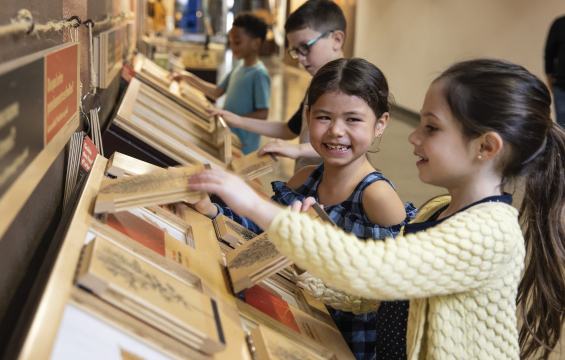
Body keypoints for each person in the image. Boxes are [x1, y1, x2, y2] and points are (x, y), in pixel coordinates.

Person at [187, 59, 565, 360]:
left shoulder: (489, 233)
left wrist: (252, 203)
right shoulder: (438, 210)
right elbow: (385, 294)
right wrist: (311, 277)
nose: (414, 137)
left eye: (431, 129)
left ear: (486, 147)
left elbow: (371, 268)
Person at [190, 58, 417, 360]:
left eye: (353, 120)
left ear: (380, 125)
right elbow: (256, 232)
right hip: (293, 318)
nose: (336, 131)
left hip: (344, 343)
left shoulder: (377, 197)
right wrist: (212, 211)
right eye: (324, 117)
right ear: (307, 116)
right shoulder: (305, 177)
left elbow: (383, 290)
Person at [207, 0, 346, 171]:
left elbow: (348, 144)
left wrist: (298, 149)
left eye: (305, 47)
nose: (300, 58)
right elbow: (290, 129)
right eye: (296, 50)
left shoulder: (352, 88)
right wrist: (238, 120)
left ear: (337, 39)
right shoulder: (318, 83)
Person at [172, 12, 270, 154]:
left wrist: (234, 119)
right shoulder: (239, 66)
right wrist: (188, 77)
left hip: (243, 145)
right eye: (230, 42)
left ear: (256, 43)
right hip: (227, 137)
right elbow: (217, 92)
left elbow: (263, 114)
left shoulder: (259, 74)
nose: (233, 47)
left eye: (237, 42)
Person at [545, 15, 565, 127]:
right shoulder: (559, 24)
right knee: (562, 129)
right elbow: (549, 54)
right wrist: (549, 81)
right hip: (562, 88)